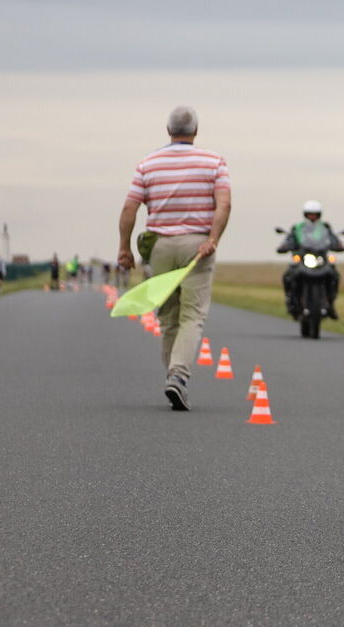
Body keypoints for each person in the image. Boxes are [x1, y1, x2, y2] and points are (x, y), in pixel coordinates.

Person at [117, 105, 231, 410]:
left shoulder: (148, 164)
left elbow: (130, 208)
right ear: (195, 131)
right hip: (196, 246)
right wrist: (212, 239)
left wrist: (124, 247)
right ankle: (178, 377)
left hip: (160, 246)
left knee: (167, 317)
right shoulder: (214, 163)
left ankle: (173, 375)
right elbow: (224, 204)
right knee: (192, 315)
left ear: (168, 130)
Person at [277, 200, 344, 320]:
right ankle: (291, 300)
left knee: (334, 275)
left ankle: (331, 303)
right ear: (305, 214)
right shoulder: (298, 228)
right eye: (310, 214)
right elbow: (290, 239)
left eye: (315, 214)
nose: (312, 217)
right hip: (303, 257)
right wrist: (285, 246)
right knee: (288, 275)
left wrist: (338, 245)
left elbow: (333, 239)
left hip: (321, 258)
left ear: (319, 215)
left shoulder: (324, 227)